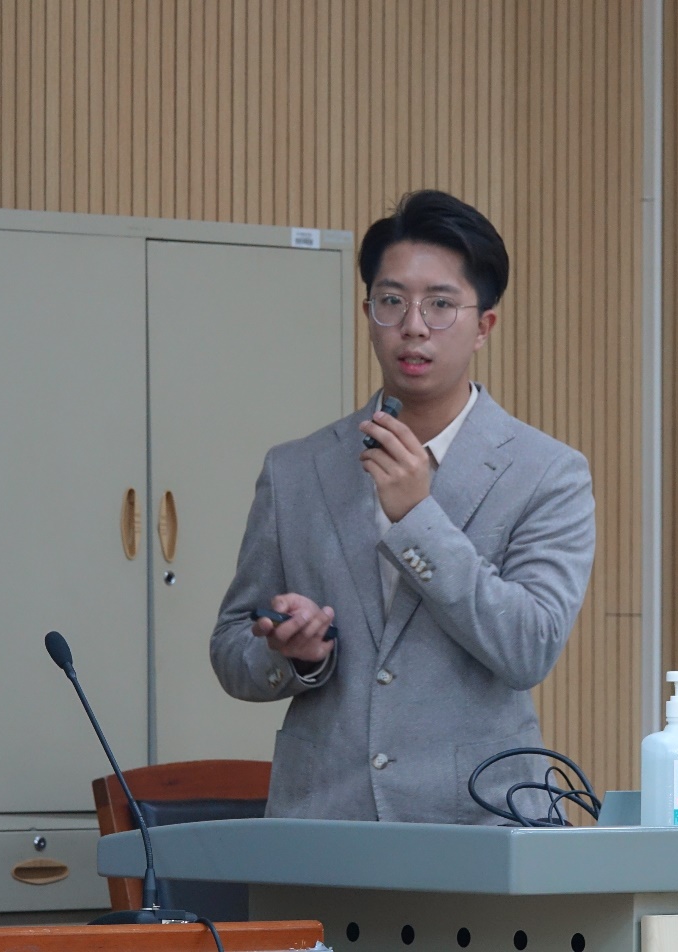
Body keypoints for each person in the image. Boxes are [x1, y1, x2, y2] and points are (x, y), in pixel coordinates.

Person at [210, 189, 596, 824]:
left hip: (478, 821)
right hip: (327, 821)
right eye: (392, 301)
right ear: (368, 314)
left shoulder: (547, 472)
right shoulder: (296, 470)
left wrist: (418, 519)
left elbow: (528, 648)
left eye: (440, 304)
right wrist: (293, 654)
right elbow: (231, 649)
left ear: (484, 326)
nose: (413, 326)